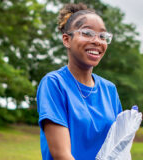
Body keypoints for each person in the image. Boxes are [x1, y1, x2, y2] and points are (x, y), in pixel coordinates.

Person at [36, 3, 122, 160]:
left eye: (103, 36)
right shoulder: (54, 84)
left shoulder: (110, 90)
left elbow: (116, 150)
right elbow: (61, 155)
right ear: (67, 40)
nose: (97, 41)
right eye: (87, 33)